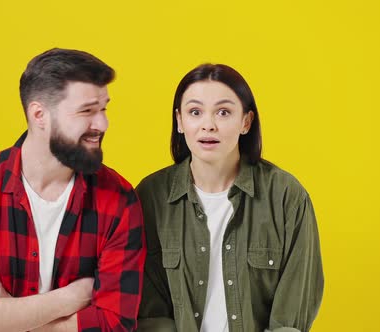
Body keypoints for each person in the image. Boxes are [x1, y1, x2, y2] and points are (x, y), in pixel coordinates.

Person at [0, 48, 146, 332]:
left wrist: (7, 307)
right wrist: (69, 298)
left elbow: (114, 324)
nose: (102, 124)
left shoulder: (118, 199)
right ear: (39, 115)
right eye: (87, 111)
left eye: (104, 109)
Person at [136, 64, 323, 332]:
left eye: (223, 112)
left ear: (246, 122)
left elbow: (292, 316)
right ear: (179, 121)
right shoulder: (150, 198)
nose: (208, 125)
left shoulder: (286, 197)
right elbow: (150, 315)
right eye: (195, 112)